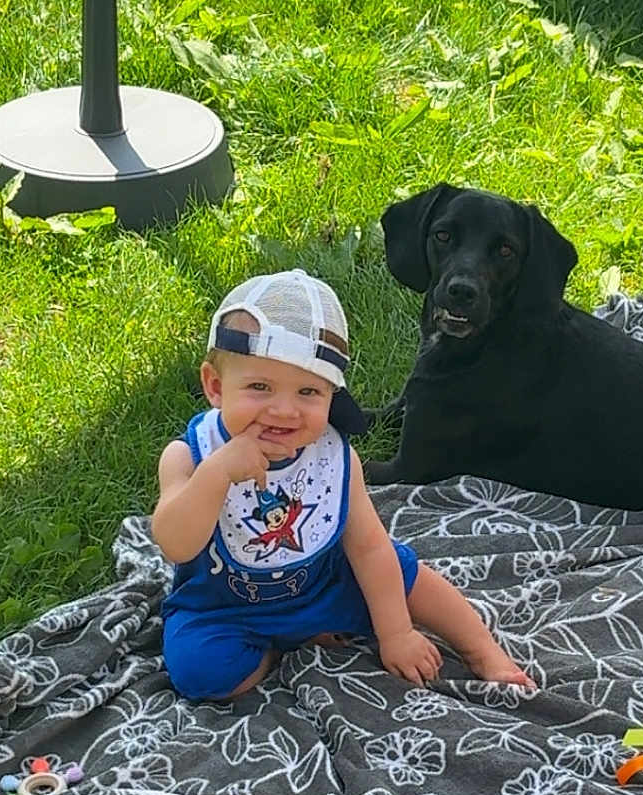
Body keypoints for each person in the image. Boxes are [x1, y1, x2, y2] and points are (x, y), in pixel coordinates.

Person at [152, 269, 535, 701]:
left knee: (407, 576)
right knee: (198, 673)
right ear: (216, 386)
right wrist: (216, 474)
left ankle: (482, 651)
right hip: (225, 605)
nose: (284, 410)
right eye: (260, 387)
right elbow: (176, 545)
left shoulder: (334, 457)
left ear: (332, 396)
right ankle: (274, 650)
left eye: (308, 392)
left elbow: (369, 547)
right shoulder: (189, 455)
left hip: (324, 586)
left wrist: (396, 632)